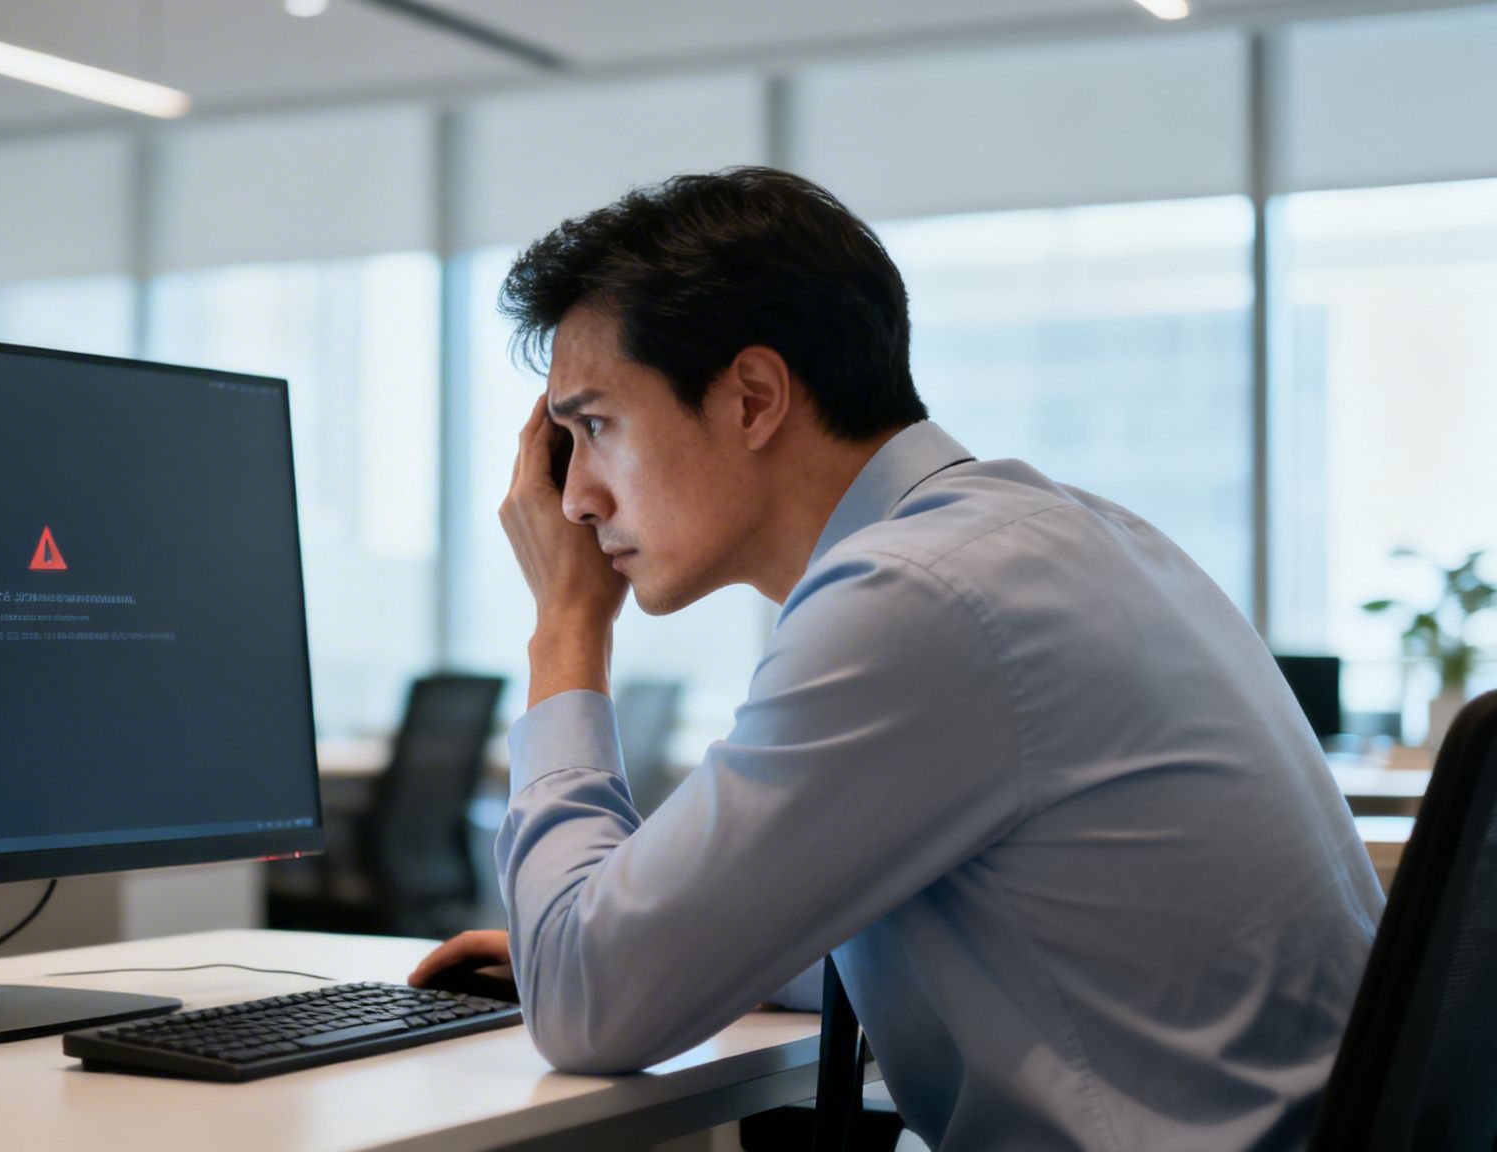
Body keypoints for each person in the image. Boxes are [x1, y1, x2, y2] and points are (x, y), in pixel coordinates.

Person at [409, 167, 1382, 1150]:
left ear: (751, 397)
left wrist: (566, 629)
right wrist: (679, 936)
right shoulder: (1056, 533)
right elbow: (1014, 916)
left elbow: (590, 1009)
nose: (572, 499)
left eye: (595, 428)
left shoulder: (912, 598)